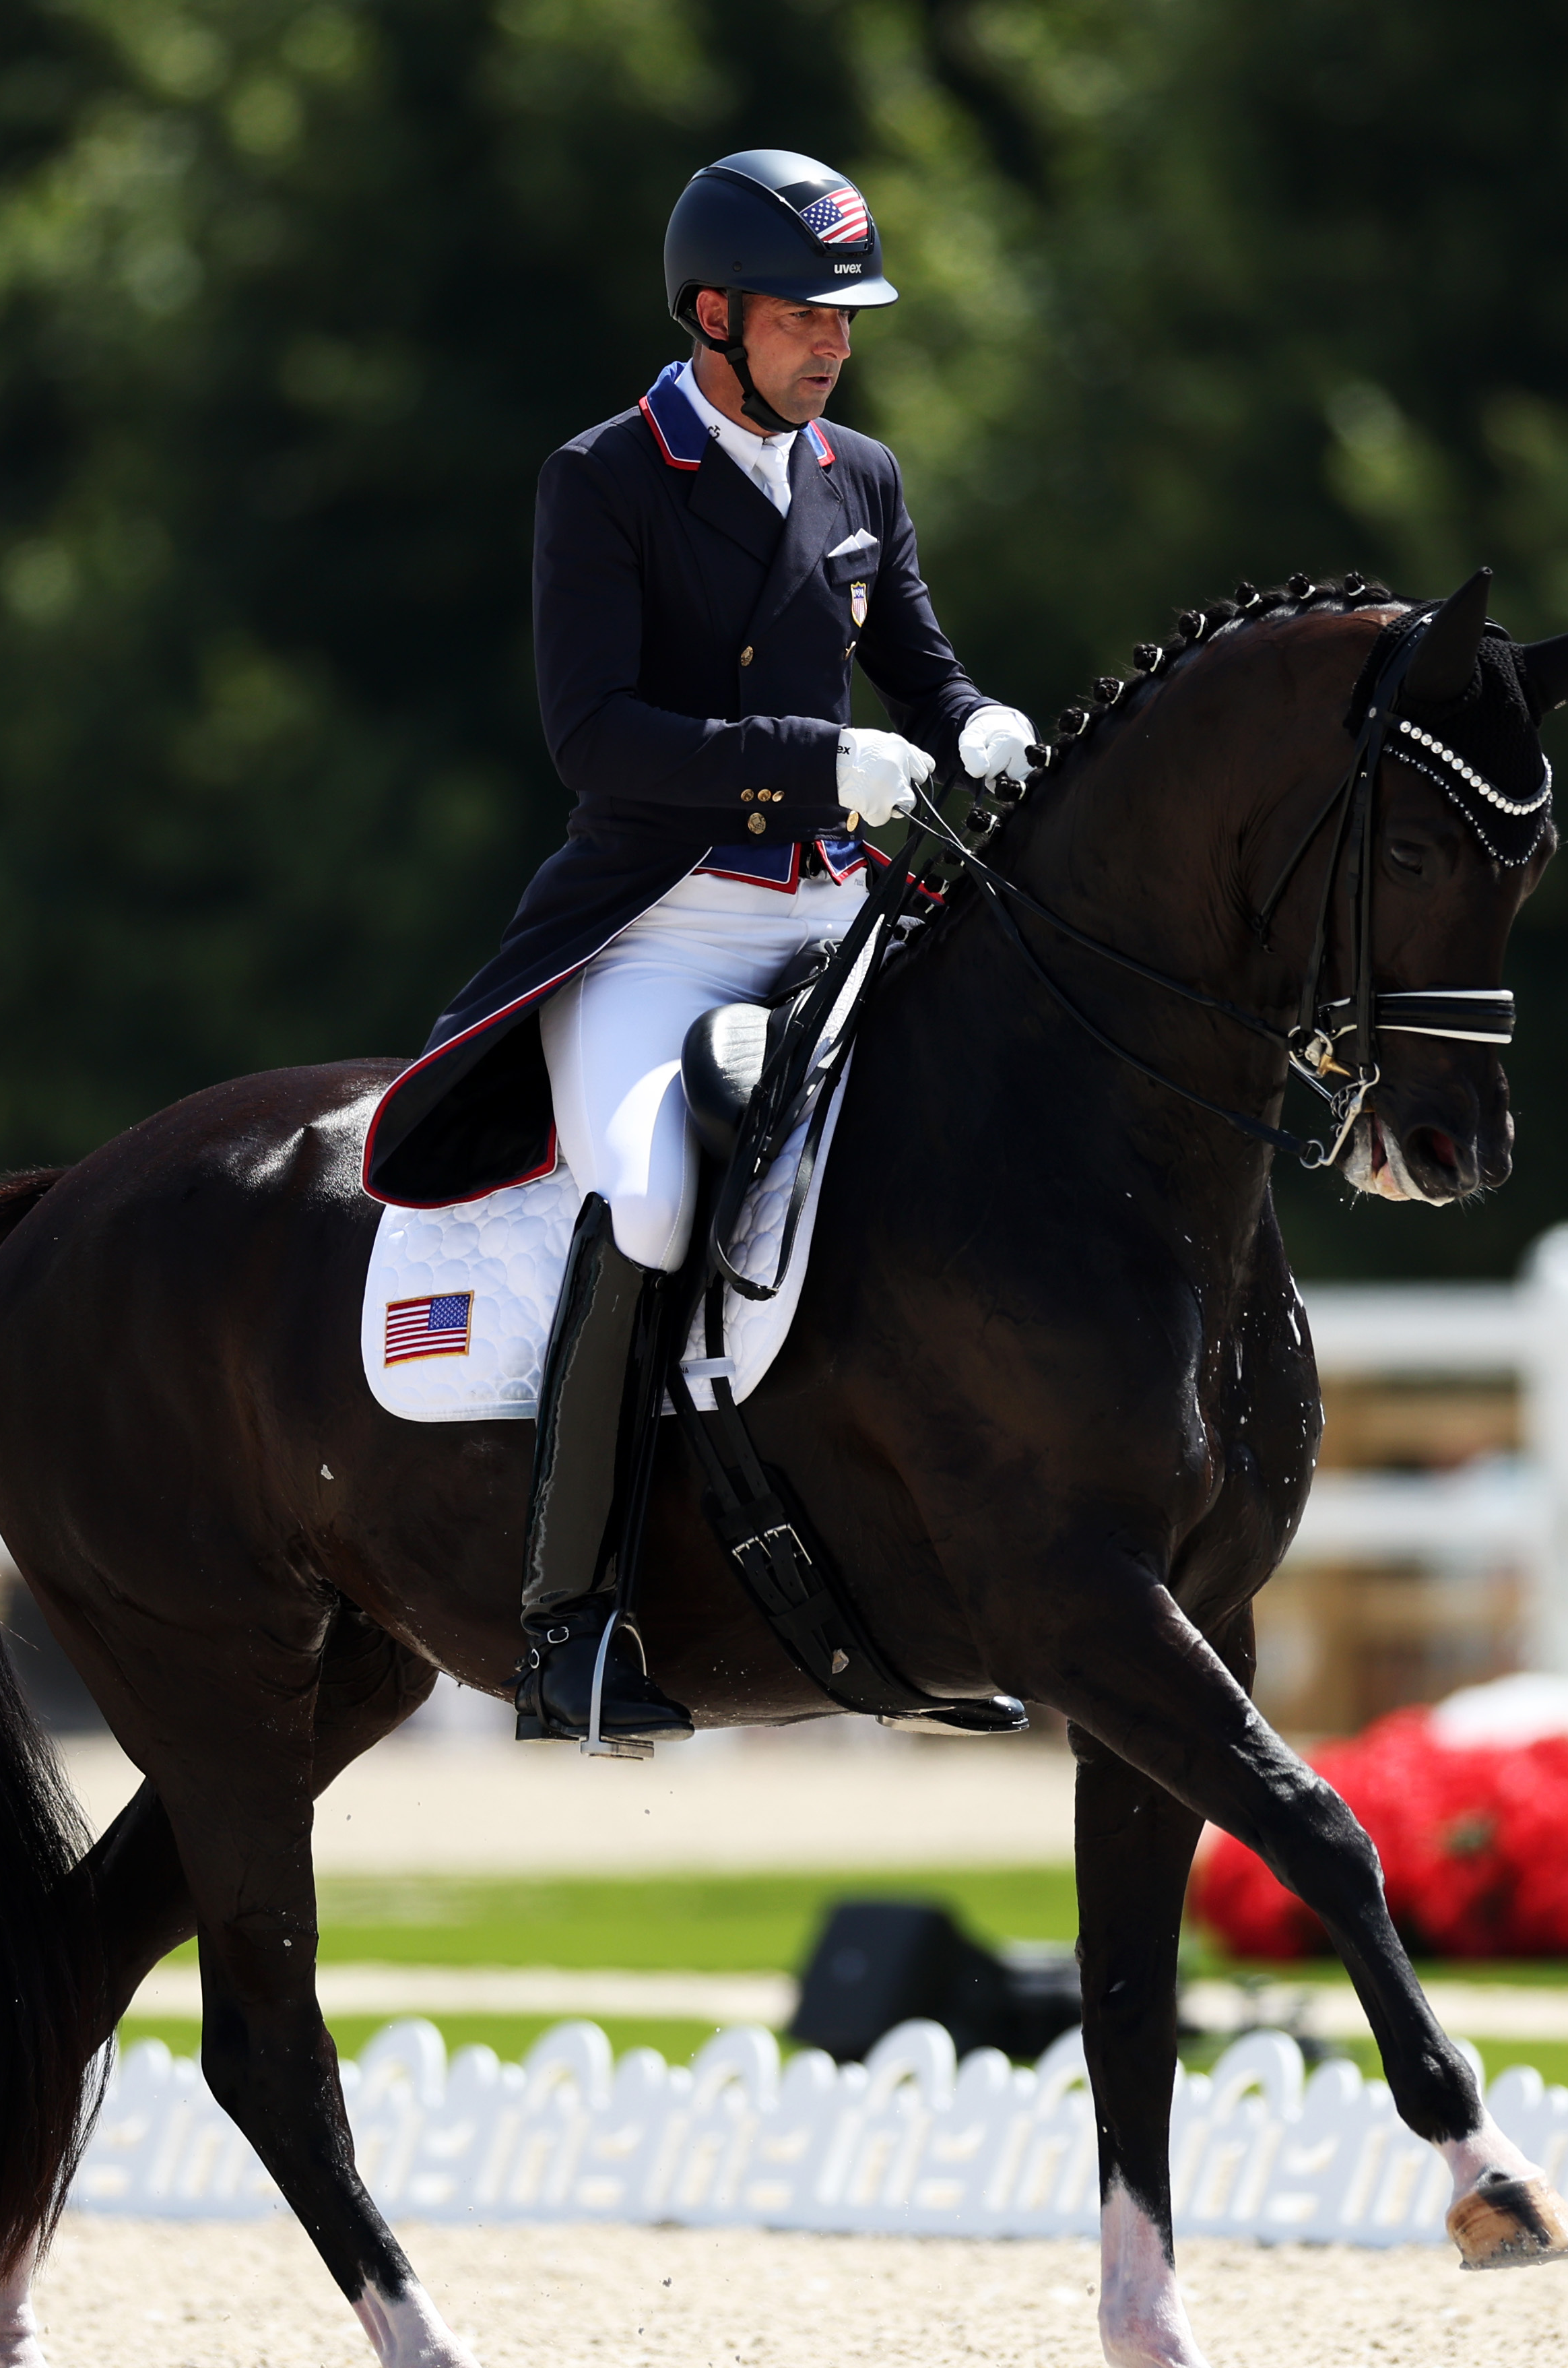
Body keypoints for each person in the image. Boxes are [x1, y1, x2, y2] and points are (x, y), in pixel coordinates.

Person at [357, 150, 1035, 1746]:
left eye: (848, 318)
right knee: (656, 1186)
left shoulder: (856, 475)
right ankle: (571, 1617)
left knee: (972, 1148)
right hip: (659, 934)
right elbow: (597, 737)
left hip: (831, 913)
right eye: (809, 315)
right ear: (715, 315)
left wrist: (979, 721)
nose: (839, 345)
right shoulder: (602, 479)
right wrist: (810, 761)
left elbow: (921, 668)